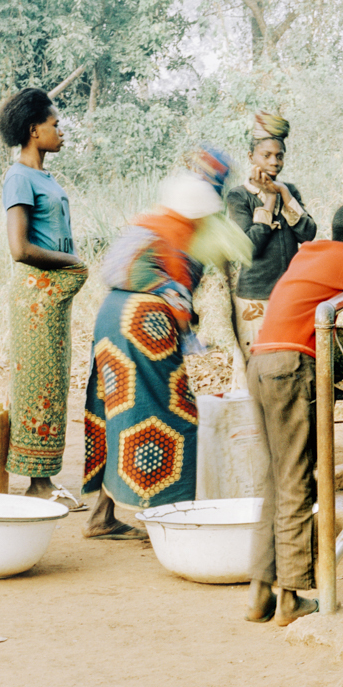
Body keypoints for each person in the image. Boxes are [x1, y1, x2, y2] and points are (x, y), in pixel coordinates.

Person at [245, 200, 343, 627]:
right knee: (299, 480)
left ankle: (260, 594)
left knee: (276, 480)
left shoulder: (310, 253)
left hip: (260, 363)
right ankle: (290, 597)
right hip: (289, 369)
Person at [81, 148, 249, 538]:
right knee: (172, 416)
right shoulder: (196, 230)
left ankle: (101, 517)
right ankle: (168, 521)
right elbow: (219, 280)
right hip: (144, 323)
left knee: (117, 411)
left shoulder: (153, 222)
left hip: (111, 315)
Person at [0, 88, 88, 505]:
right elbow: (20, 249)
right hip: (36, 295)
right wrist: (72, 262)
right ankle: (37, 484)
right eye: (55, 124)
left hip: (50, 296)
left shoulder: (44, 178)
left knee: (52, 383)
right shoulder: (19, 177)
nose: (61, 130)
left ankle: (44, 480)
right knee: (38, 385)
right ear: (34, 131)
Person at [222, 112, 317, 378]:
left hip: (289, 295)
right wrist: (269, 202)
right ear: (251, 156)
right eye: (267, 155)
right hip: (255, 297)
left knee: (286, 366)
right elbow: (248, 249)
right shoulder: (239, 196)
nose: (275, 162)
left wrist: (284, 193)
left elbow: (308, 233)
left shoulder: (290, 190)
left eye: (280, 156)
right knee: (254, 370)